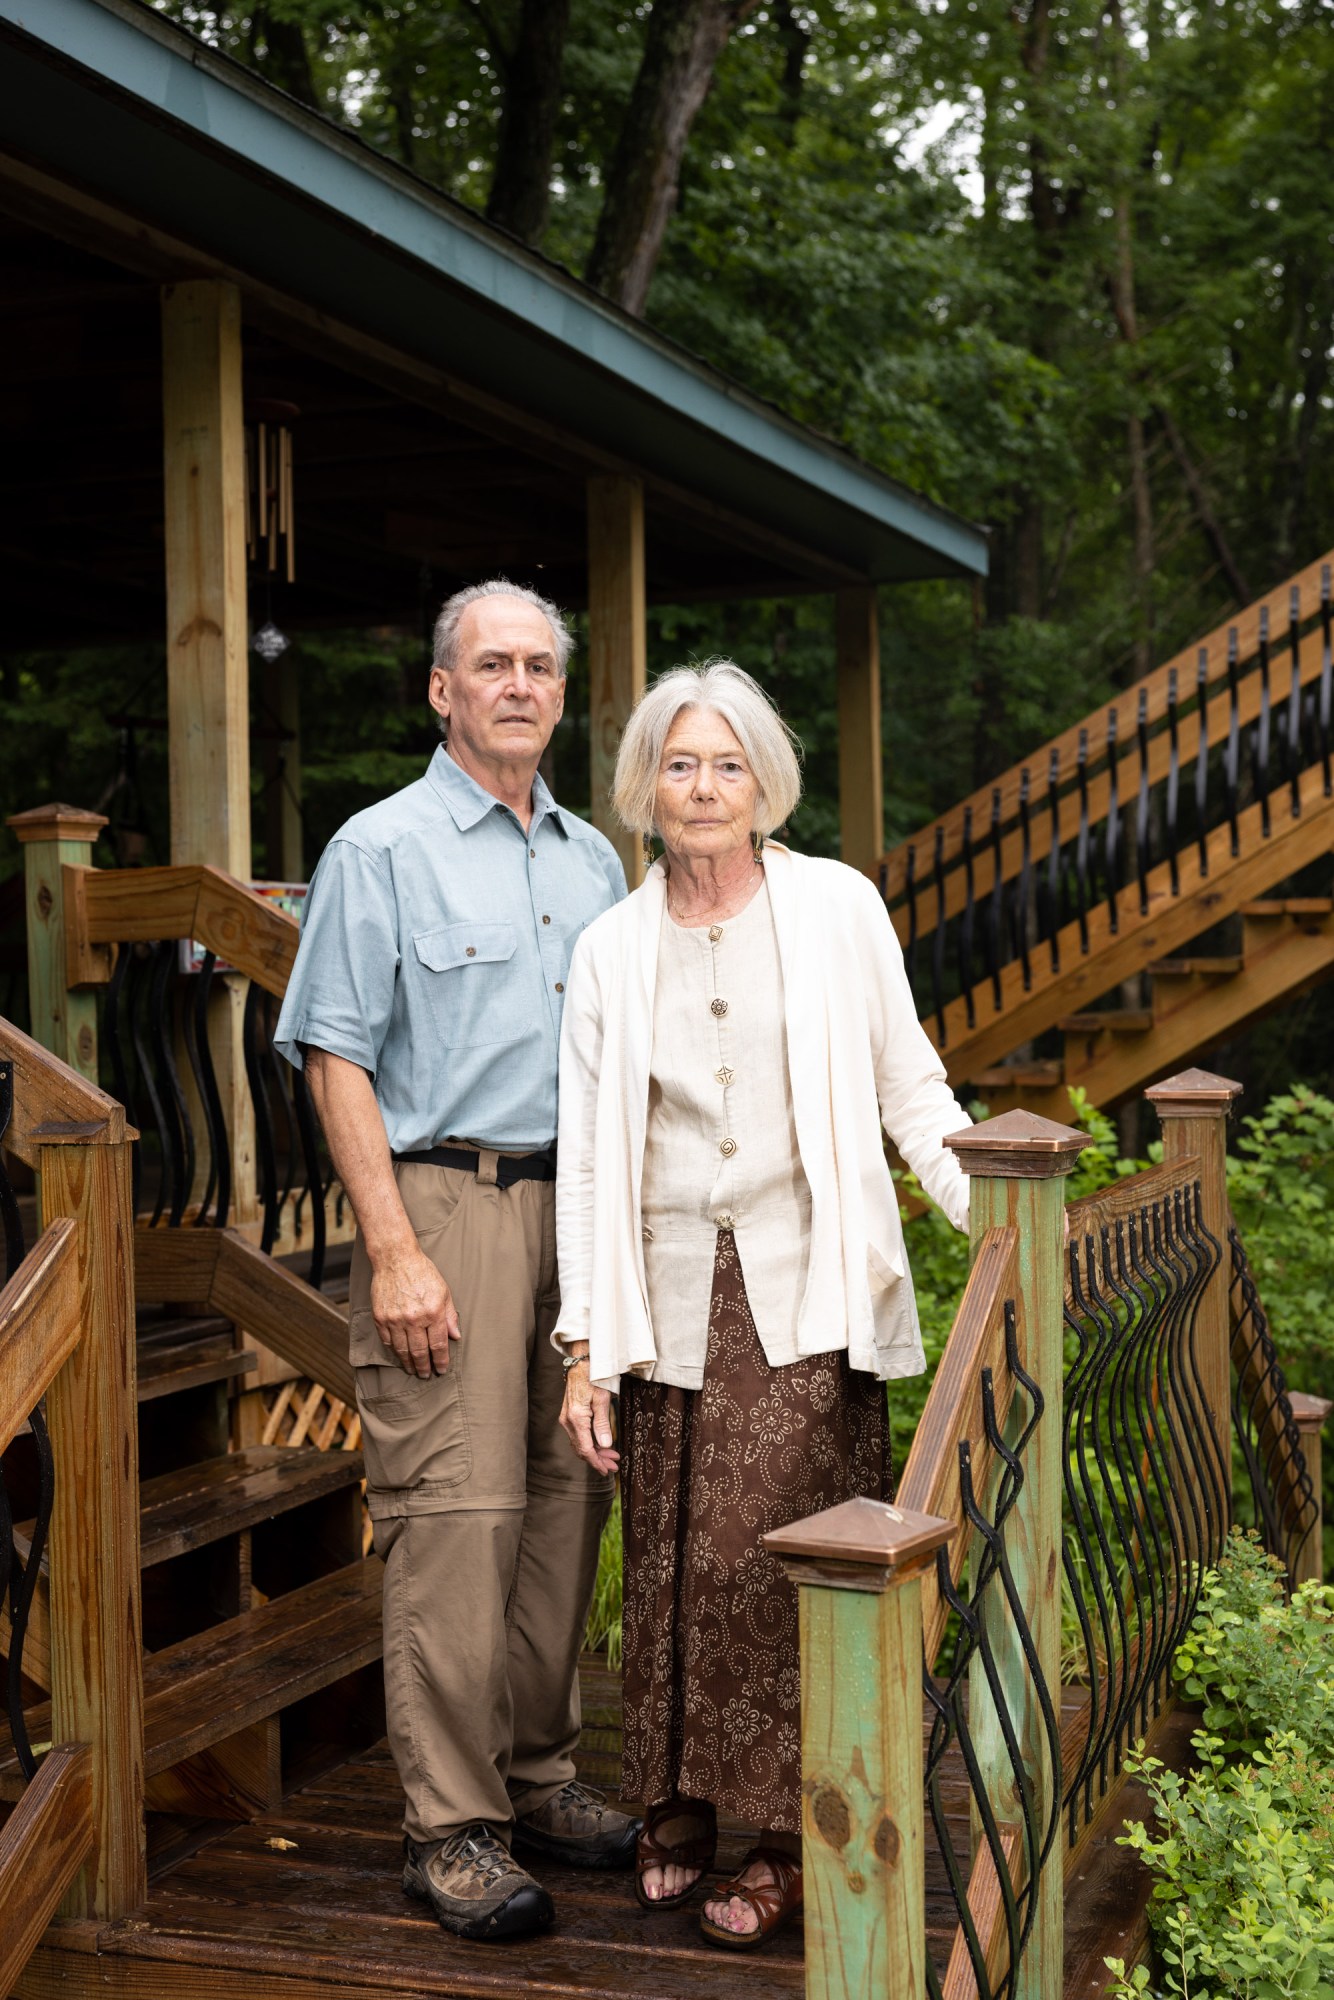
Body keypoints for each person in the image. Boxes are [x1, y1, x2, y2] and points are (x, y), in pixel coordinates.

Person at [553, 661, 971, 1951]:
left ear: (764, 783)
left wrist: (995, 1211)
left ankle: (792, 1835)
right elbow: (585, 1158)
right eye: (679, 764)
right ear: (644, 787)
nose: (703, 787)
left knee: (774, 1562)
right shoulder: (611, 948)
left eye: (727, 764)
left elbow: (911, 1084)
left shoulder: (838, 907)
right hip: (668, 1296)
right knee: (674, 1557)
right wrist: (585, 1349)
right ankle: (679, 1798)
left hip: (807, 1294)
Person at [274, 580, 638, 1945]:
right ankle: (452, 1830)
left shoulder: (594, 861)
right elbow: (336, 1056)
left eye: (541, 666)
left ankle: (538, 1782)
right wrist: (393, 1250)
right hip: (450, 1208)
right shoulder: (382, 850)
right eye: (493, 665)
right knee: (456, 1520)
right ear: (442, 689)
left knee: (562, 1506)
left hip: (580, 1213)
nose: (521, 685)